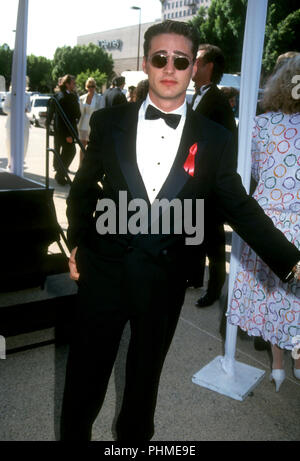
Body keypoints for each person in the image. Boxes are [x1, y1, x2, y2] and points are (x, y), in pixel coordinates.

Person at [60, 20, 300, 441]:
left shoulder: (216, 138)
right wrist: (78, 242)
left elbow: (241, 207)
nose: (170, 68)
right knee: (84, 380)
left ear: (193, 69)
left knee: (143, 385)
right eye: (160, 58)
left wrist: (293, 262)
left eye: (181, 60)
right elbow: (82, 190)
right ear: (147, 65)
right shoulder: (108, 121)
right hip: (103, 270)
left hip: (164, 278)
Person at [227, 55, 300, 391]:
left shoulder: (260, 124)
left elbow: (254, 172)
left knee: (271, 296)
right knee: (293, 299)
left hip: (265, 222)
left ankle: (278, 366)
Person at [192, 44, 237, 308]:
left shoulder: (217, 101)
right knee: (195, 232)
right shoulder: (199, 95)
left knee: (213, 240)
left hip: (211, 184)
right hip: (196, 181)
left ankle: (214, 288)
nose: (191, 65)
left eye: (196, 60)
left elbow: (225, 145)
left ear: (209, 66)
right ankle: (195, 277)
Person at [49, 74, 81, 186]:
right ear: (67, 84)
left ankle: (60, 172)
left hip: (58, 131)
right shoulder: (70, 97)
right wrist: (68, 134)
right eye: (73, 83)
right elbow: (77, 114)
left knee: (63, 152)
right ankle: (60, 174)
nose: (75, 85)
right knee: (71, 152)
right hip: (67, 132)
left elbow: (51, 114)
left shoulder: (57, 95)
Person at [4, 81, 31, 169]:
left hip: (24, 121)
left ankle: (20, 161)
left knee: (24, 142)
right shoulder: (9, 94)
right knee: (10, 142)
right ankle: (10, 162)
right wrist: (15, 110)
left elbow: (29, 108)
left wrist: (26, 109)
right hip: (12, 121)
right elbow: (5, 108)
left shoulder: (27, 95)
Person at [78, 77, 102, 166]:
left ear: (95, 87)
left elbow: (100, 111)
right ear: (86, 87)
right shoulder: (82, 98)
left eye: (92, 86)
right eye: (89, 86)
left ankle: (89, 166)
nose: (91, 88)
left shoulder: (99, 98)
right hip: (83, 124)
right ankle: (80, 165)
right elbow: (79, 112)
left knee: (92, 147)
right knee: (82, 146)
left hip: (93, 124)